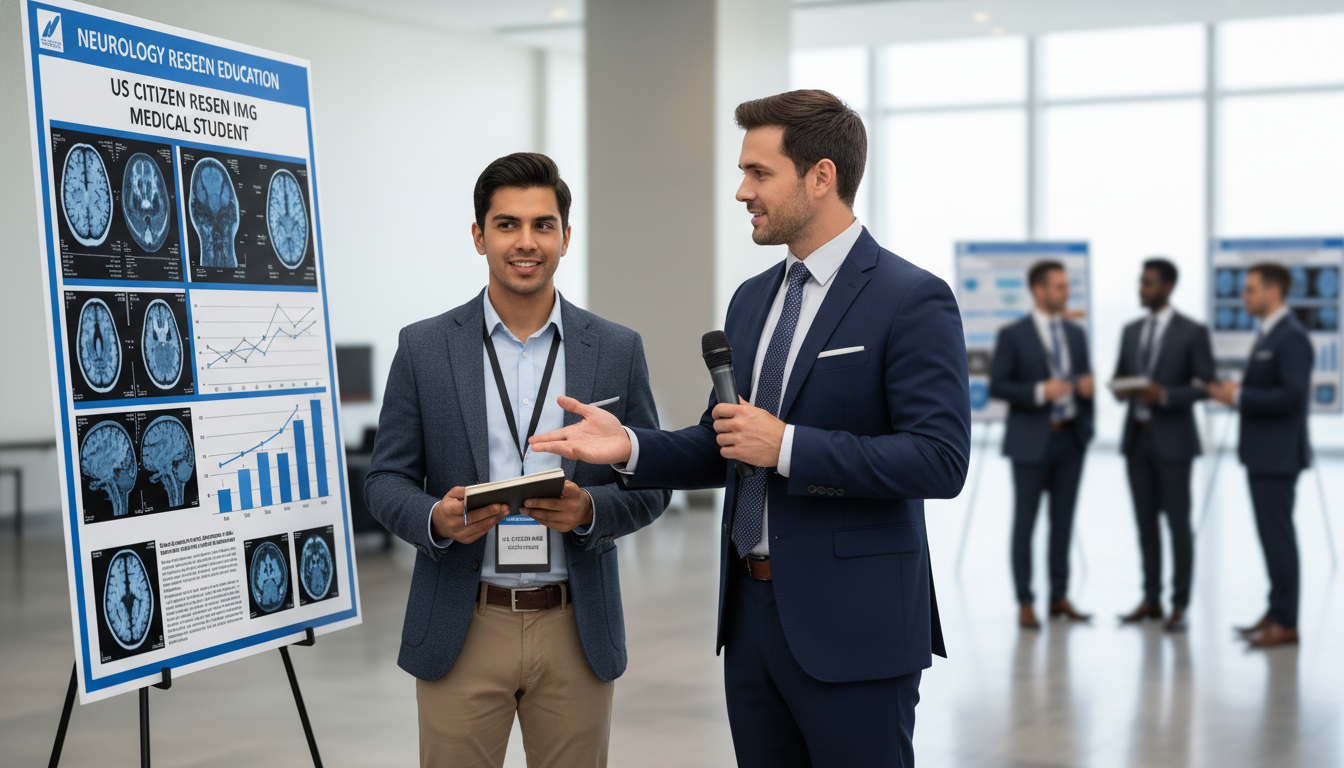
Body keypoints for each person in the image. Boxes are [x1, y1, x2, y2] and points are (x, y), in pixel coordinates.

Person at [530, 90, 969, 767]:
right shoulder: (753, 298)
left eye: (759, 173)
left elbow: (939, 459)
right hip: (750, 623)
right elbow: (727, 442)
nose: (742, 192)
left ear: (821, 176)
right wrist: (631, 446)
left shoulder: (911, 298)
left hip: (856, 627)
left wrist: (787, 446)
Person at [364, 152, 671, 768]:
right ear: (479, 237)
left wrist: (589, 510)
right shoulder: (424, 347)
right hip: (463, 621)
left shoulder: (616, 349)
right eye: (507, 224)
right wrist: (434, 519)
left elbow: (653, 482)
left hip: (575, 625)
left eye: (542, 225)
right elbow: (385, 480)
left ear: (565, 237)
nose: (525, 242)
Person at [1207, 263, 1313, 649]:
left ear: (1273, 292)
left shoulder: (1291, 337)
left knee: (1279, 539)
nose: (1244, 296)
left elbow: (1292, 396)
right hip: (1262, 454)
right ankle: (1275, 611)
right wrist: (1238, 392)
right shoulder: (1269, 333)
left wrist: (1238, 396)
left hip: (1278, 456)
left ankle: (1286, 622)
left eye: (1251, 289)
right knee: (1270, 539)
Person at [989, 260, 1095, 629]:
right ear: (1039, 290)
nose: (1067, 293)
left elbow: (1084, 379)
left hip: (1071, 439)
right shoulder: (1013, 334)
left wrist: (1086, 390)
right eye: (1060, 287)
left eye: (1067, 286)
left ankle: (1059, 597)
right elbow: (998, 385)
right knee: (1025, 524)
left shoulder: (1076, 334)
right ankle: (1025, 602)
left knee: (1063, 523)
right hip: (1030, 441)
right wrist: (1039, 391)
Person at [1111, 258, 1214, 633]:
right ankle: (1151, 599)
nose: (1142, 289)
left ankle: (1180, 604)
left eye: (1149, 283)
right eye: (1141, 282)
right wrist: (1120, 387)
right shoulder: (1130, 331)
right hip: (1137, 439)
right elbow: (1120, 374)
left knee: (1177, 524)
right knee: (1145, 523)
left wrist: (1165, 395)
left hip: (1174, 441)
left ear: (1168, 286)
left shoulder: (1192, 332)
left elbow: (1205, 385)